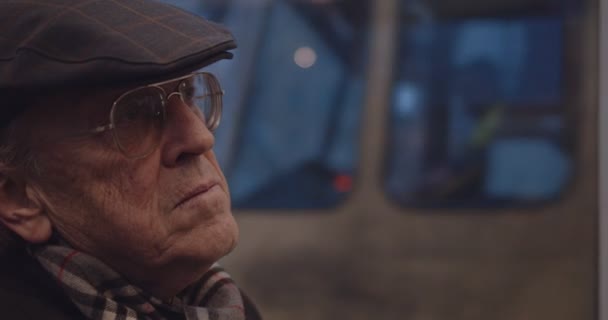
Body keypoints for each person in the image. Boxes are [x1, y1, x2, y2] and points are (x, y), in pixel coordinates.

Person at [0, 1, 261, 319]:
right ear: (18, 196)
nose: (200, 139)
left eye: (190, 94)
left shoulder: (217, 304)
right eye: (133, 115)